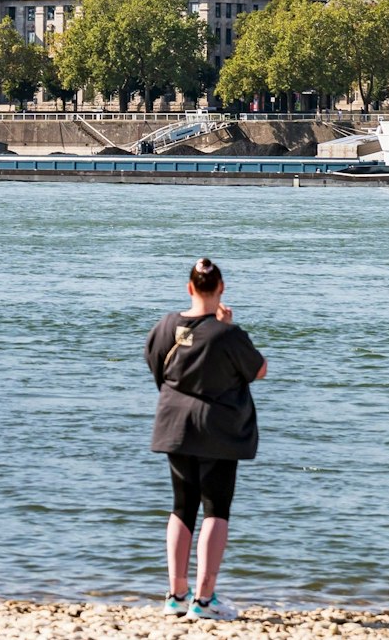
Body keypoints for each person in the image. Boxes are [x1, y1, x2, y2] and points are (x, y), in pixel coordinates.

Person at [146, 257, 267, 621]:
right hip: (218, 430)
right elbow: (259, 370)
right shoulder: (228, 334)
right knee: (216, 508)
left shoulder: (167, 325)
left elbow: (156, 365)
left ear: (189, 288)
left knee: (181, 505)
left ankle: (175, 595)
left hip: (175, 424)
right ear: (222, 288)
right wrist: (228, 328)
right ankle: (204, 599)